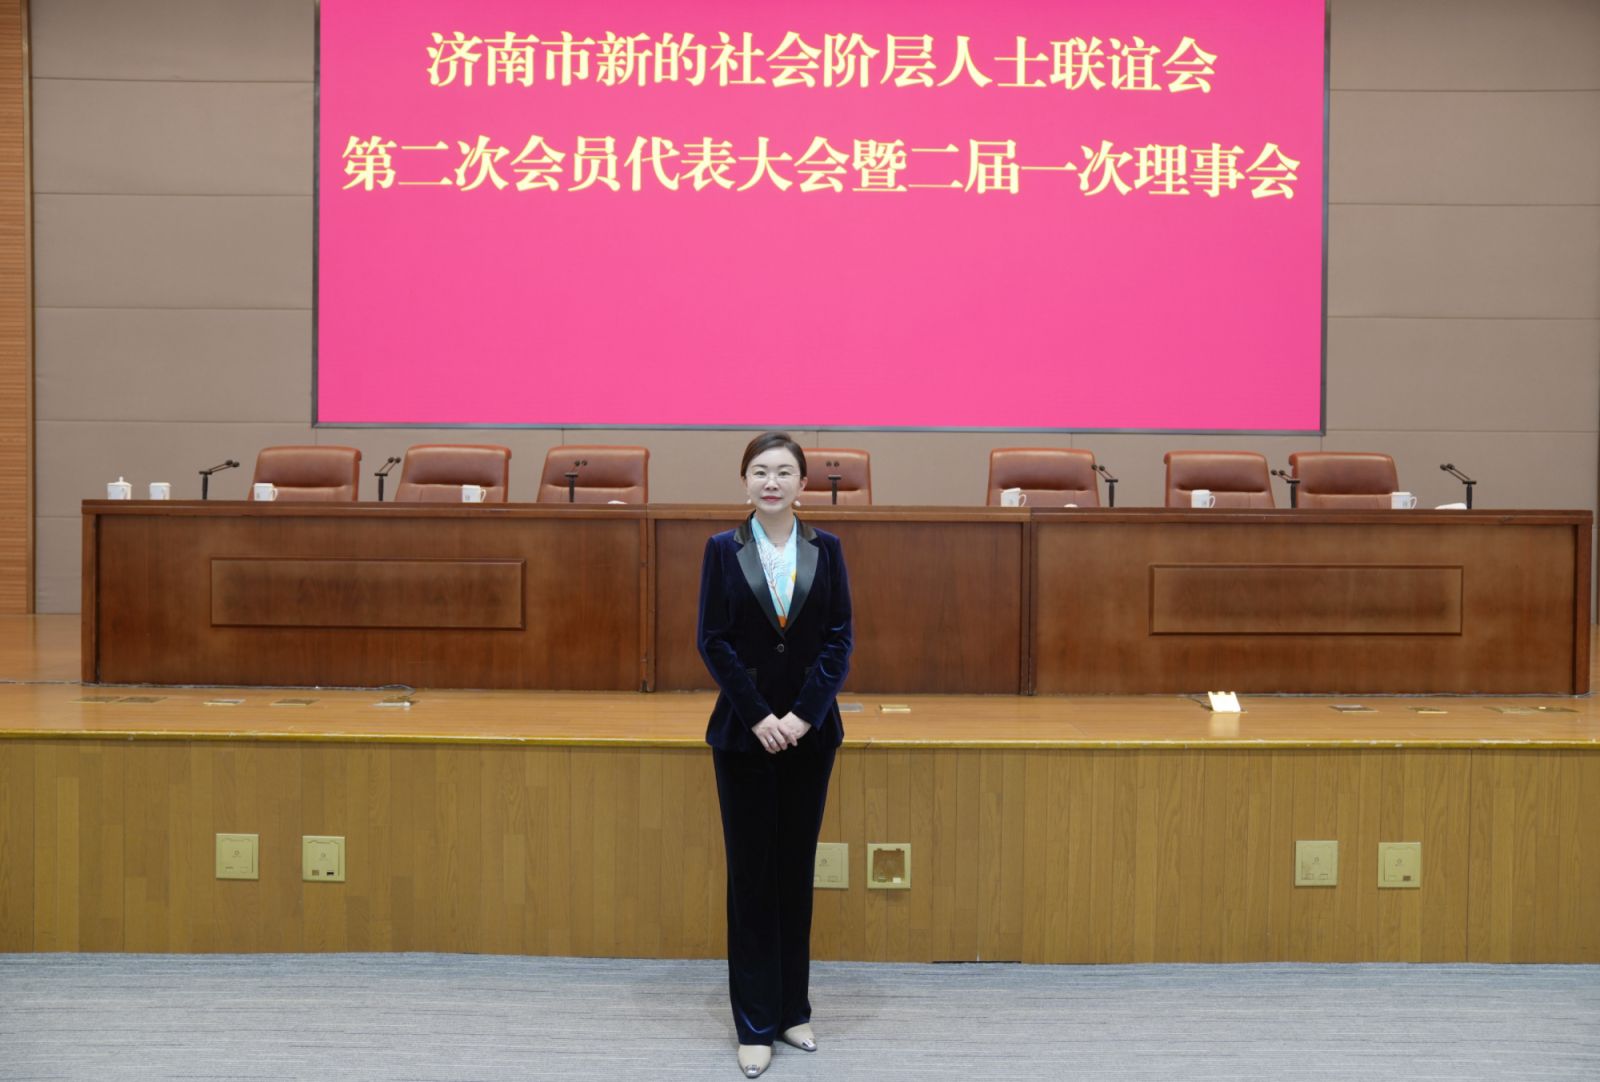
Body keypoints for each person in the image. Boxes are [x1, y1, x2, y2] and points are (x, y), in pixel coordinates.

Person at [697, 431, 854, 1079]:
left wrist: (801, 716)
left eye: (784, 471)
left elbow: (839, 641)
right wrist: (761, 716)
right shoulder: (721, 550)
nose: (771, 481)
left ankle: (793, 1011)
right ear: (745, 481)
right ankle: (754, 1024)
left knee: (794, 873)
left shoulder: (828, 549)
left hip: (810, 736)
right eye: (760, 471)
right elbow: (713, 641)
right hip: (744, 736)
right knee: (752, 880)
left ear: (802, 484)